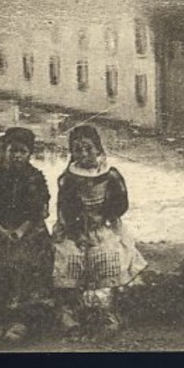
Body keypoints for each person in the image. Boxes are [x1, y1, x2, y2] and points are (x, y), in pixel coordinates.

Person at [51, 124, 145, 333]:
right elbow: (64, 208)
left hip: (103, 225)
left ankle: (106, 312)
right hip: (75, 228)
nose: (83, 154)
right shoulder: (69, 178)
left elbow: (121, 203)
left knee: (107, 255)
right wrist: (76, 232)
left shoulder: (110, 175)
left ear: (98, 149)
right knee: (69, 257)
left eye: (88, 149)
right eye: (78, 150)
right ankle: (69, 311)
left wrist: (105, 216)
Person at [0, 127, 54, 342]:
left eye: (22, 151)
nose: (17, 155)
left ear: (29, 154)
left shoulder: (35, 177)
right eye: (12, 150)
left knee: (24, 262)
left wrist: (19, 232)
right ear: (4, 151)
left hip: (29, 232)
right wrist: (1, 230)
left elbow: (37, 211)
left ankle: (20, 320)